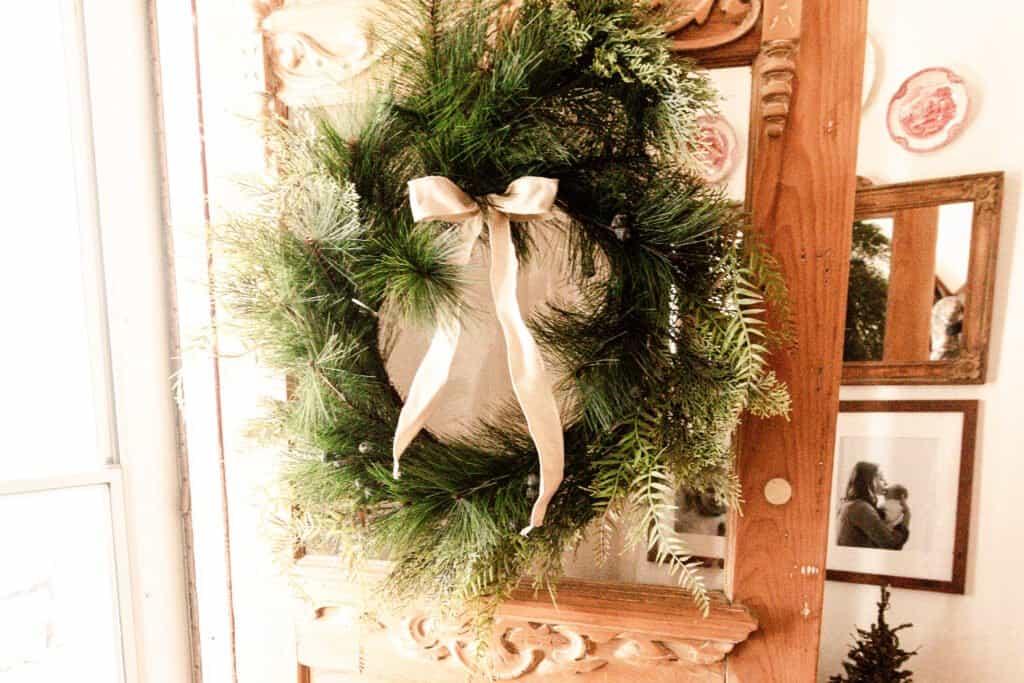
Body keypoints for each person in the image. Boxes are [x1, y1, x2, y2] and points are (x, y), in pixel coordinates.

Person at [836, 461, 910, 550]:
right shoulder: (861, 508)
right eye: (881, 478)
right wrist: (905, 521)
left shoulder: (851, 505)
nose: (886, 483)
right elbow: (891, 544)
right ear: (869, 479)